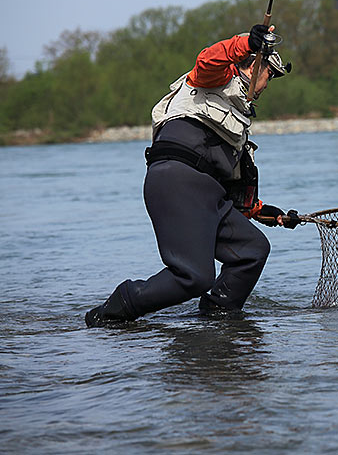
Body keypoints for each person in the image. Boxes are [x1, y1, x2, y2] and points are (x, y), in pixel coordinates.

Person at [85, 24, 299, 328]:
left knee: (252, 250)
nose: (268, 83)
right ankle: (112, 312)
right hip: (177, 181)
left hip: (207, 193)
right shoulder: (213, 79)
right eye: (269, 75)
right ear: (252, 67)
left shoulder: (238, 122)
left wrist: (262, 211)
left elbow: (235, 188)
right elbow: (207, 60)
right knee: (194, 276)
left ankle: (218, 319)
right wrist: (245, 43)